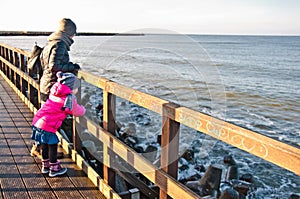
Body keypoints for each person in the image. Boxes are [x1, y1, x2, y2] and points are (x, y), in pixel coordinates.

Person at [31, 18, 80, 157]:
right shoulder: (60, 44)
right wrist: (73, 67)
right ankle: (42, 150)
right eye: (73, 33)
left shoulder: (51, 42)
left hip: (46, 84)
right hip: (52, 86)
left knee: (45, 120)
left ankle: (38, 147)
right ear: (69, 33)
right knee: (48, 122)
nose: (73, 37)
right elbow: (54, 66)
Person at [31, 71, 86, 177]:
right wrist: (83, 110)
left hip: (39, 120)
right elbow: (75, 111)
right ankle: (54, 168)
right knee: (52, 145)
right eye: (76, 88)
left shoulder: (55, 92)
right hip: (48, 124)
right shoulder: (68, 98)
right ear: (71, 88)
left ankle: (45, 166)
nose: (77, 90)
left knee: (44, 144)